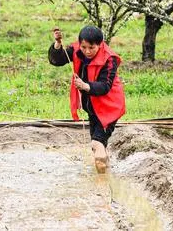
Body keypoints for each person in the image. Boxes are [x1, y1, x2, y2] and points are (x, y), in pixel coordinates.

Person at [48, 25, 125, 173]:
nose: (87, 51)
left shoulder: (109, 59)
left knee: (97, 143)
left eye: (92, 47)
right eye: (84, 47)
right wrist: (58, 43)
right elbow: (56, 60)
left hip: (108, 108)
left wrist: (85, 86)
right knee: (98, 144)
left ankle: (102, 185)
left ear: (100, 44)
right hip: (92, 107)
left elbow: (105, 86)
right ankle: (106, 174)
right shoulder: (77, 50)